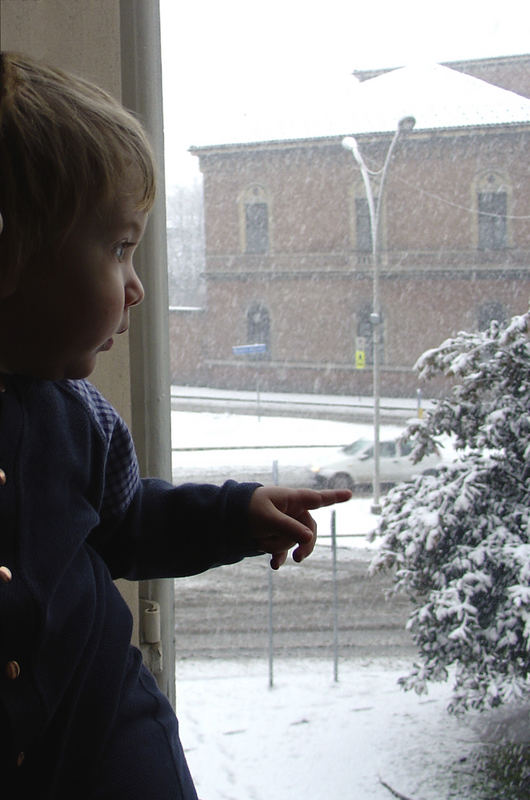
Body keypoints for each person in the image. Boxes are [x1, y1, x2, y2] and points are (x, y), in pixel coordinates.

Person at [0, 52, 351, 798]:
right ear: (12, 252)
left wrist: (234, 513)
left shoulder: (82, 417)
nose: (137, 287)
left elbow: (126, 525)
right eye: (119, 247)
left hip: (116, 745)